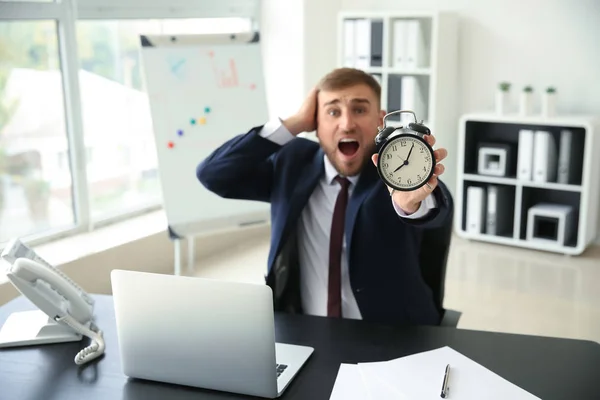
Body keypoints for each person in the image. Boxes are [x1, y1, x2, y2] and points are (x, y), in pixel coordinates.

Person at [196, 67, 452, 326]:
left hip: (393, 335)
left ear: (380, 120)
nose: (347, 124)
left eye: (360, 110)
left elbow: (437, 208)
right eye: (332, 111)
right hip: (304, 329)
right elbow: (213, 174)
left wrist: (411, 205)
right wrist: (293, 123)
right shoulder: (292, 163)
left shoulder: (398, 171)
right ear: (315, 123)